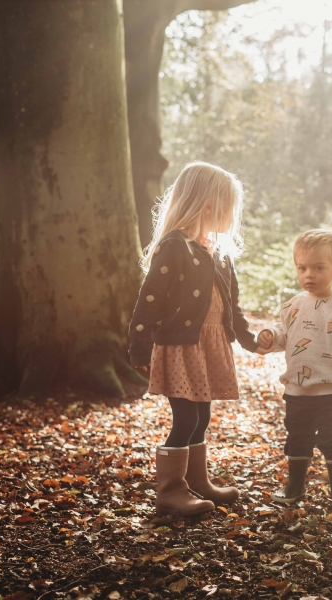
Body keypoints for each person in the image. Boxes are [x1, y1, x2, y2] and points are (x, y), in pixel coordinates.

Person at [128, 161, 261, 517]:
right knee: (185, 419)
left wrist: (248, 339)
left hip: (208, 346)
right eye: (228, 207)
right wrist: (138, 346)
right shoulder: (175, 247)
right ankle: (170, 492)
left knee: (202, 417)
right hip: (181, 347)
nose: (232, 216)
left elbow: (231, 306)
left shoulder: (217, 253)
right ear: (207, 204)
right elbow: (149, 300)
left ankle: (196, 482)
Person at [257, 229, 332, 508]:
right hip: (297, 391)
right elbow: (285, 335)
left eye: (318, 268)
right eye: (302, 268)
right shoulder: (293, 305)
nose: (309, 275)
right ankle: (295, 484)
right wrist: (270, 337)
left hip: (331, 393)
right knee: (297, 437)